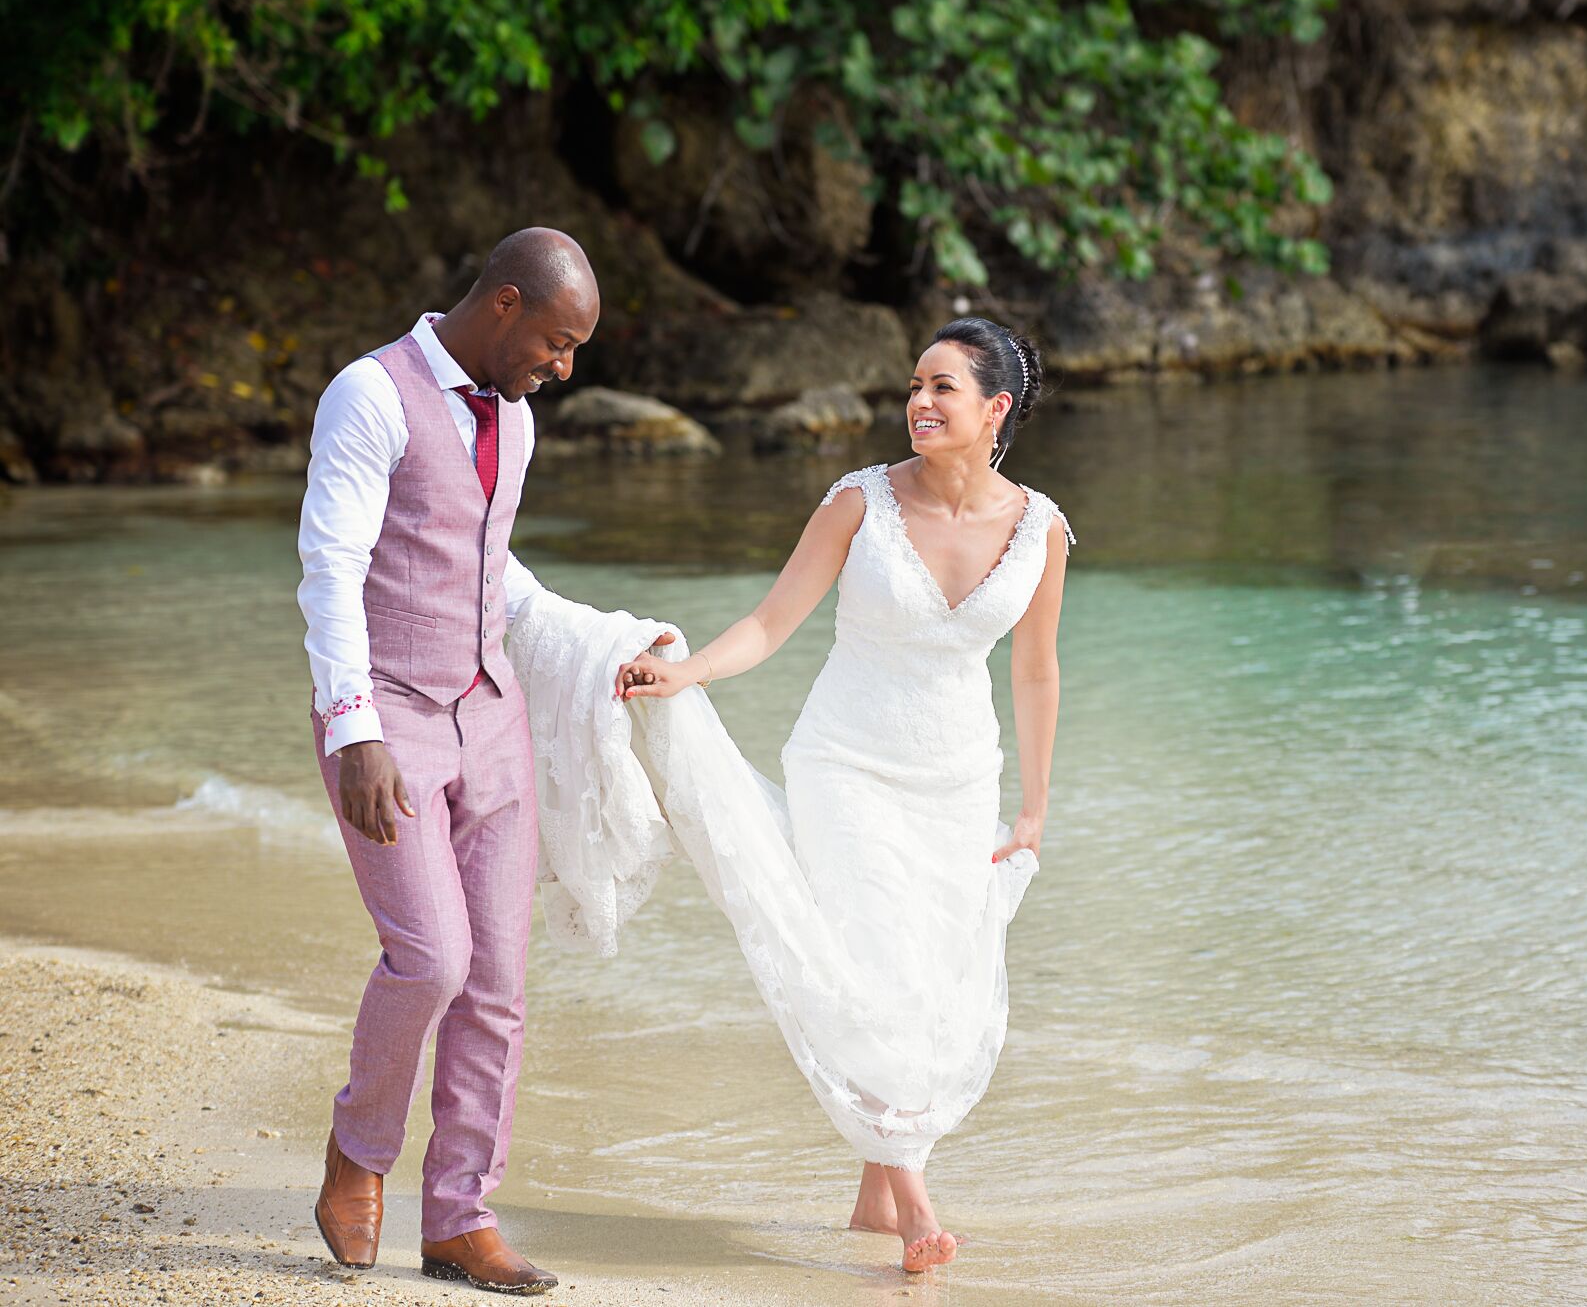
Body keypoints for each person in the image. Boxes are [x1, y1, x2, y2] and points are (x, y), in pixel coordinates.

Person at [608, 316, 1071, 1272]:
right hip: (846, 765)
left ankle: (870, 1192)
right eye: (914, 384)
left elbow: (1036, 671)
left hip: (956, 777)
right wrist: (688, 673)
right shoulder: (860, 501)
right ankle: (913, 1206)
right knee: (876, 970)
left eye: (943, 387)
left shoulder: (1041, 528)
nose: (919, 402)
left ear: (997, 409)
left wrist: (1033, 805)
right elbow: (773, 622)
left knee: (931, 982)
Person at [296, 227, 667, 1295]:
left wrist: (608, 641)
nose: (564, 368)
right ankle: (357, 1155)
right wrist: (354, 729)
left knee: (498, 984)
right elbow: (330, 570)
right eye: (557, 343)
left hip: (491, 718)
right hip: (392, 720)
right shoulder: (368, 397)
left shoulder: (516, 418)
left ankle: (460, 1217)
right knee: (432, 960)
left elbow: (486, 569)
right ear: (504, 304)